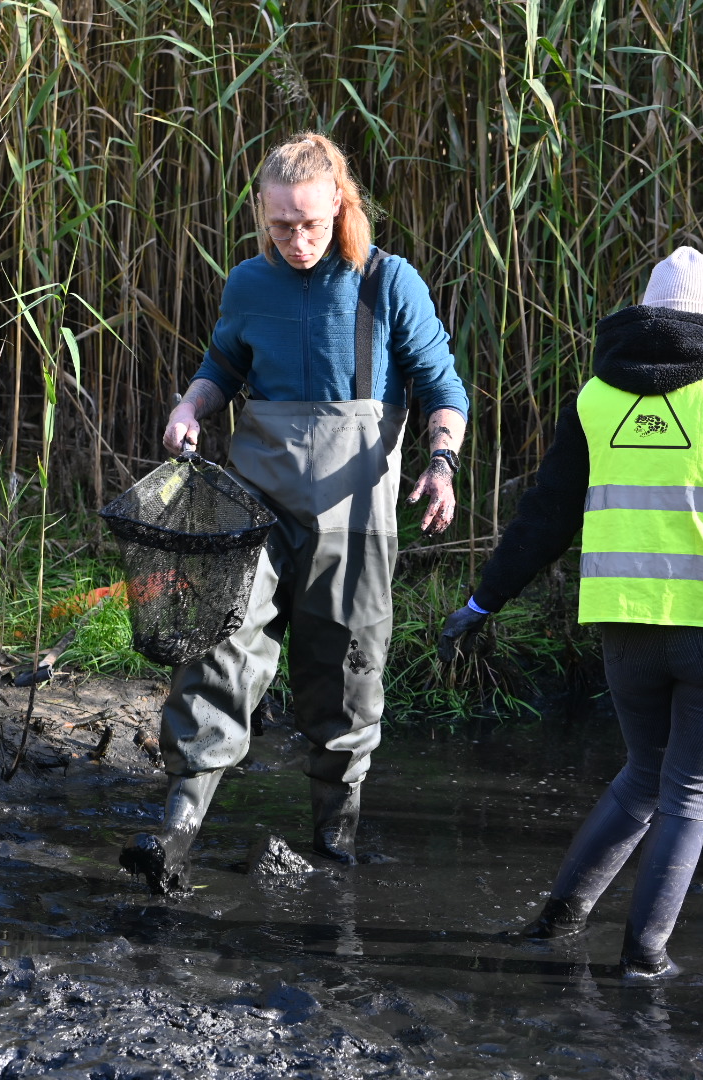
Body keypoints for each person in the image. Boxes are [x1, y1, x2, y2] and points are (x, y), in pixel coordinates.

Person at [437, 247, 703, 978]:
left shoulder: (596, 398)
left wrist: (483, 600)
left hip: (628, 626)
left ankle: (556, 922)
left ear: (644, 312)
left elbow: (544, 519)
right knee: (690, 796)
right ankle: (645, 959)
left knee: (644, 776)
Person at [120, 132, 470, 896]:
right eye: (281, 225)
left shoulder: (387, 283)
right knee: (218, 645)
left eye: (311, 223)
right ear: (262, 215)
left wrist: (440, 465)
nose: (298, 240)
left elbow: (444, 388)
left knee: (344, 670)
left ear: (340, 206)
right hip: (258, 505)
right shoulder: (250, 283)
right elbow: (223, 365)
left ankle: (334, 843)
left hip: (356, 512)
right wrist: (191, 404)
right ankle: (175, 835)